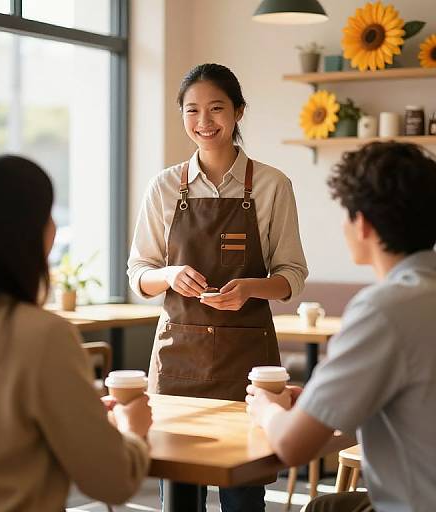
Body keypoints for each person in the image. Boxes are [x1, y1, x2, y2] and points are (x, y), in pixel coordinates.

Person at [0, 152, 152, 511]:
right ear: (29, 233)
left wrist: (76, 409)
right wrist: (131, 430)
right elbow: (113, 482)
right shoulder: (42, 335)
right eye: (48, 215)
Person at [128, 63, 308, 511]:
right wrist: (169, 276)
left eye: (216, 109)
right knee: (179, 491)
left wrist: (250, 287)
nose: (204, 121)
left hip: (247, 365)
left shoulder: (271, 185)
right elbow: (138, 274)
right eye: (192, 110)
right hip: (178, 361)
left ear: (238, 112)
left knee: (245, 493)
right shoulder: (164, 187)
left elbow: (292, 276)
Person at [246, 141, 436, 512]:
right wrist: (319, 405)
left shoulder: (384, 310)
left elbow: (291, 447)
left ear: (362, 223)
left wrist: (267, 410)